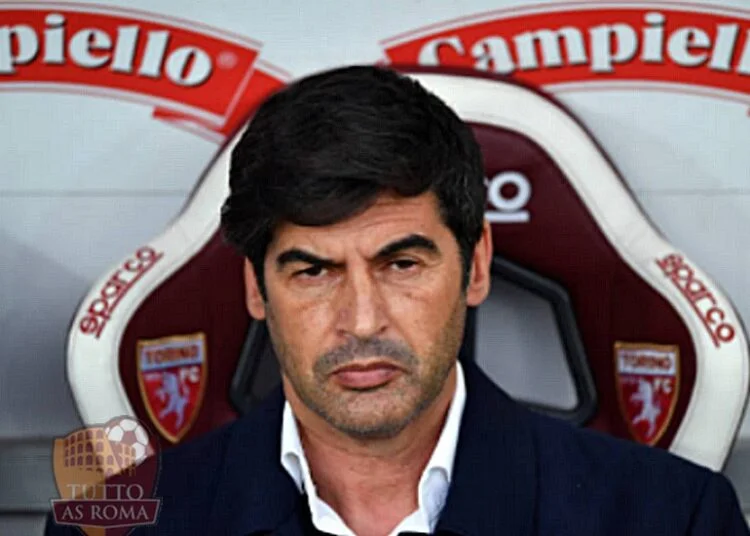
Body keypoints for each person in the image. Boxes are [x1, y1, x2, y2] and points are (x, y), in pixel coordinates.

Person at [46, 65, 748, 535]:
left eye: (402, 263)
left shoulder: (671, 518)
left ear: (476, 268)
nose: (362, 320)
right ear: (256, 290)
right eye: (313, 272)